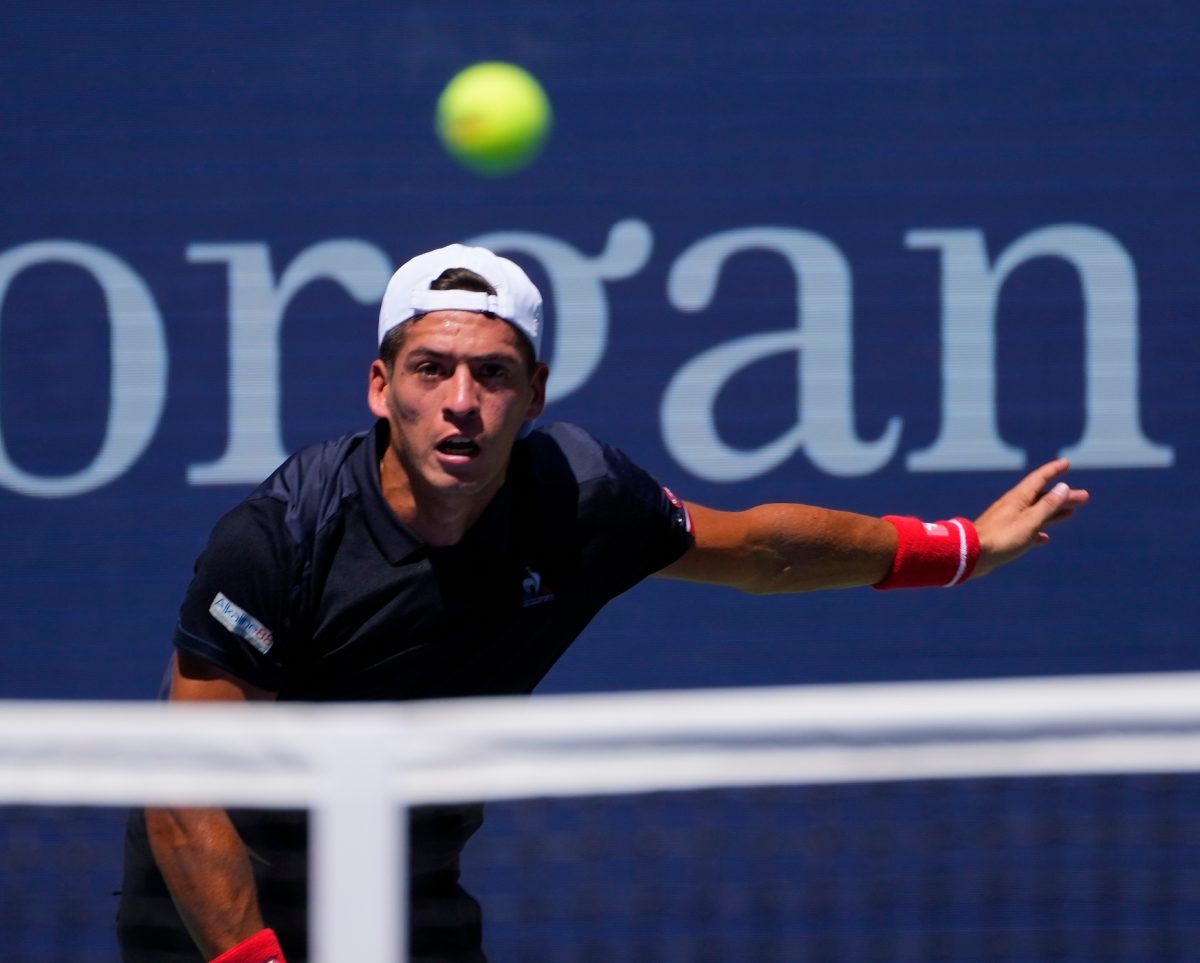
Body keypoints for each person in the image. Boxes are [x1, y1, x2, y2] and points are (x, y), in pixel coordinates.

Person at [116, 243, 1088, 963]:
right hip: (218, 900)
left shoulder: (581, 501)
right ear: (381, 388)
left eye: (493, 374)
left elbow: (761, 550)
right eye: (431, 370)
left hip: (409, 884)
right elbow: (184, 791)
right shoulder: (280, 538)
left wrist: (957, 549)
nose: (462, 401)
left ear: (534, 393)